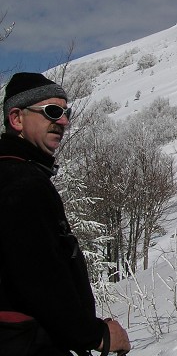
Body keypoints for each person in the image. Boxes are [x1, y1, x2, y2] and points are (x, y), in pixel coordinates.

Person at [0, 72, 131, 356]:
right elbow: (40, 276)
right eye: (52, 111)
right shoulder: (20, 182)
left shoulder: (20, 174)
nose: (63, 122)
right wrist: (94, 335)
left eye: (65, 112)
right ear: (17, 119)